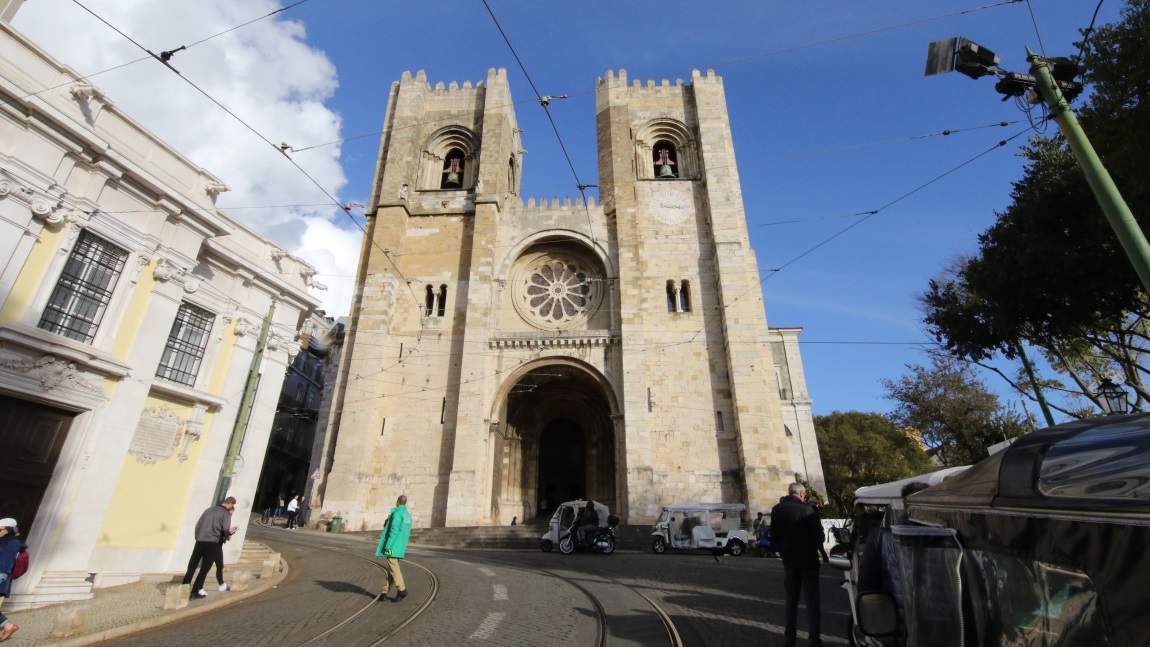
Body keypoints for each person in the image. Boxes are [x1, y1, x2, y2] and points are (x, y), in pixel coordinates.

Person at [857, 481, 932, 646]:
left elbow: (868, 589)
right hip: (944, 627)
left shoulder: (881, 537)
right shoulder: (948, 535)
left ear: (905, 506)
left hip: (898, 629)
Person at [771, 483, 827, 647]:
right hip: (808, 561)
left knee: (791, 601)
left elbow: (774, 536)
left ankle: (789, 640)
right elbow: (819, 537)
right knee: (812, 603)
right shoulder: (807, 510)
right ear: (802, 494)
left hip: (789, 561)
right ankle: (814, 640)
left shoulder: (777, 509)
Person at [183, 497, 237, 600]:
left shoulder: (209, 510)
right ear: (230, 505)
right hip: (213, 542)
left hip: (200, 541)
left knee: (192, 566)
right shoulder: (225, 513)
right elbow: (225, 530)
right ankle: (195, 592)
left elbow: (198, 526)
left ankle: (183, 589)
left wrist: (198, 537)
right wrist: (228, 535)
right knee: (204, 568)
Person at [375, 495, 412, 602]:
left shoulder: (397, 514)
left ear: (397, 502)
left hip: (392, 546)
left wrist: (387, 546)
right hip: (400, 547)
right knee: (392, 568)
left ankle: (402, 589)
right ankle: (384, 592)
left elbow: (393, 531)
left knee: (394, 569)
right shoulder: (407, 516)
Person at [0, 518, 26, 642]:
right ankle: (8, 626)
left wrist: (1, 577)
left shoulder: (13, 542)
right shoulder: (2, 541)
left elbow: (6, 561)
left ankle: (8, 625)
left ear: (6, 530)